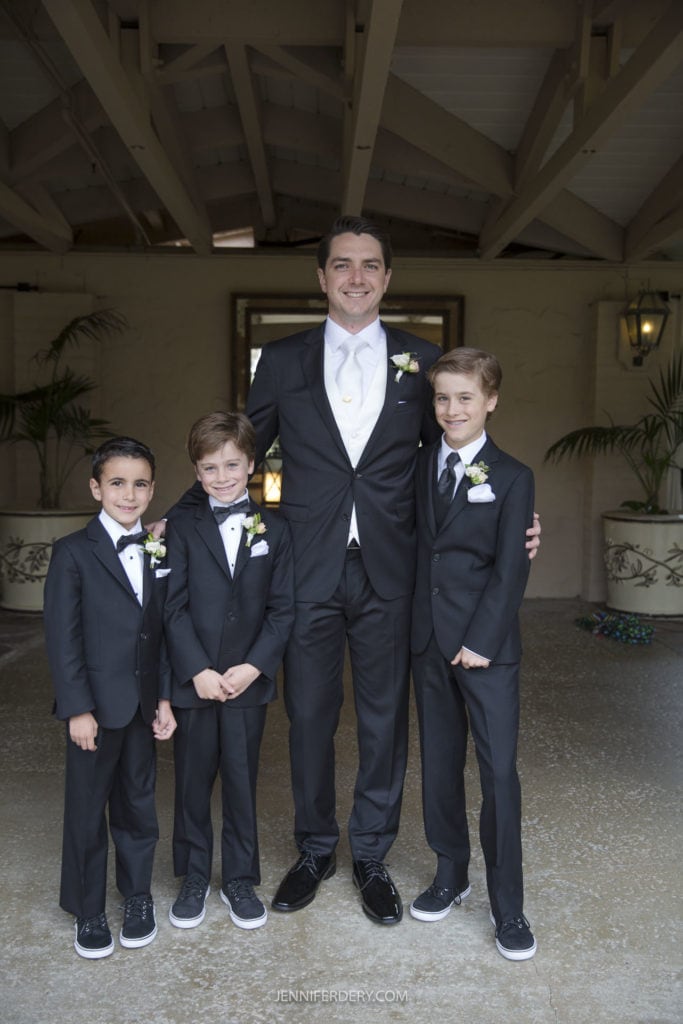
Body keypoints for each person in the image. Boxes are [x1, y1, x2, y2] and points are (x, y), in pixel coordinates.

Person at [164, 215, 540, 925]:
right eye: (342, 264)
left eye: (370, 265)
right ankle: (313, 847)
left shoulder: (422, 360)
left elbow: (456, 455)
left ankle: (370, 850)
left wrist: (515, 515)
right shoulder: (279, 361)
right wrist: (175, 516)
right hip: (304, 569)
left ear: (387, 277)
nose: (356, 276)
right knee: (307, 714)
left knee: (382, 718)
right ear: (321, 278)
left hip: (393, 572)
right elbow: (237, 453)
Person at [409, 347, 537, 960]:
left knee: (498, 776)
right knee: (439, 765)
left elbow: (512, 569)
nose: (452, 408)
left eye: (465, 397)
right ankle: (450, 874)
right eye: (442, 397)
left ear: (490, 400)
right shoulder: (416, 466)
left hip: (486, 648)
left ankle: (508, 908)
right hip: (428, 641)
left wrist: (482, 642)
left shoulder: (512, 476)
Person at [44, 437, 176, 960]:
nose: (128, 493)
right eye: (116, 483)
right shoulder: (73, 552)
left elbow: (160, 633)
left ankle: (137, 896)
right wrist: (77, 708)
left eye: (139, 483)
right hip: (94, 709)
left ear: (151, 489)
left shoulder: (157, 546)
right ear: (96, 487)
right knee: (86, 809)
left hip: (142, 705)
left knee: (138, 805)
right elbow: (62, 638)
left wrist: (164, 699)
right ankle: (88, 908)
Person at [163, 412, 294, 932]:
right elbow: (170, 607)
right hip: (196, 682)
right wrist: (195, 669)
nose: (222, 476)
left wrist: (253, 667)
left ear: (252, 465)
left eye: (232, 465)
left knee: (241, 781)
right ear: (196, 472)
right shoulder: (181, 526)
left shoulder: (276, 529)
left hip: (245, 681)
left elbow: (283, 610)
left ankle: (239, 878)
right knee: (193, 783)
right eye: (210, 467)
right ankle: (194, 876)